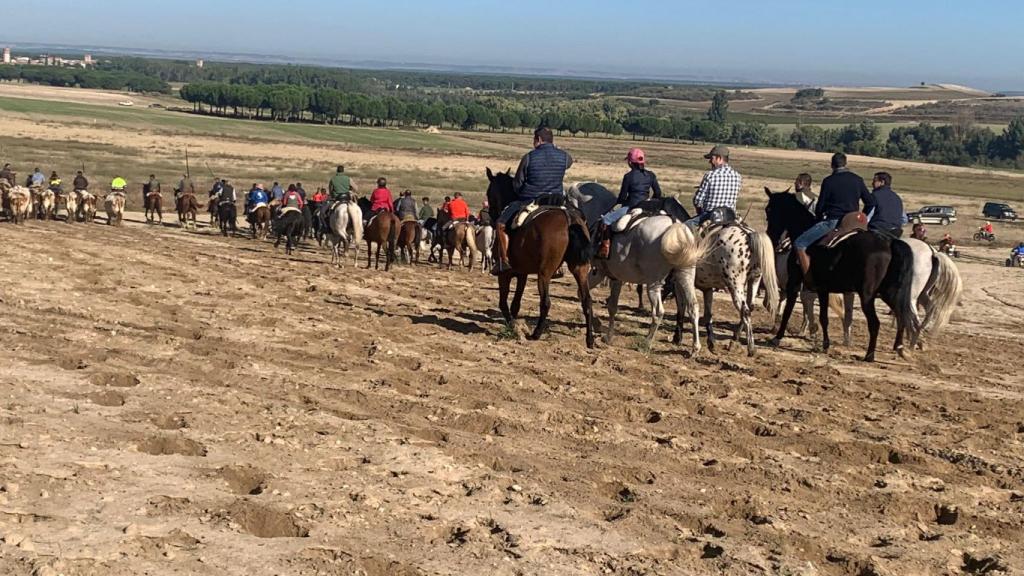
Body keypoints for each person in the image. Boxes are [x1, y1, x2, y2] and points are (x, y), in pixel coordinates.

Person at [493, 126, 574, 273]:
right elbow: (569, 161)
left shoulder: (529, 157)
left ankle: (503, 261)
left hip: (531, 199)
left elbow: (517, 184)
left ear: (538, 140)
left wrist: (520, 192)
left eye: (534, 140)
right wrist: (555, 149)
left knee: (500, 223)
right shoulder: (564, 157)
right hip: (556, 201)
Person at [794, 153, 876, 274]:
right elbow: (870, 202)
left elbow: (820, 206)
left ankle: (808, 279)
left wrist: (819, 217)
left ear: (832, 165)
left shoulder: (828, 181)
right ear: (845, 163)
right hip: (855, 223)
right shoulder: (857, 179)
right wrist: (862, 216)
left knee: (799, 243)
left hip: (833, 222)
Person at [595, 147, 663, 258]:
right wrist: (650, 203)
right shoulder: (651, 175)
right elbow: (658, 193)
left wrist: (619, 203)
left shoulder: (628, 177)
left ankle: (605, 247)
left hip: (631, 207)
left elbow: (622, 197)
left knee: (606, 220)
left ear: (630, 162)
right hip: (647, 207)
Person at [687, 145, 741, 228]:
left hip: (711, 215)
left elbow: (698, 201)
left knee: (683, 227)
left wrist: (699, 210)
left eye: (712, 159)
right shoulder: (737, 176)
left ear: (719, 158)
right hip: (731, 216)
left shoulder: (710, 175)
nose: (710, 162)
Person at [867, 172, 904, 238]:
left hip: (877, 231)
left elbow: (868, 217)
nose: (872, 183)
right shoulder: (897, 197)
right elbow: (904, 219)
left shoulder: (875, 196)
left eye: (874, 181)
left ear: (882, 182)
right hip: (895, 232)